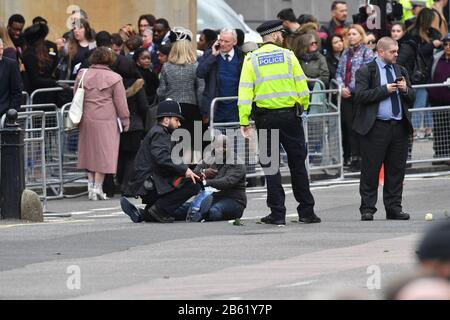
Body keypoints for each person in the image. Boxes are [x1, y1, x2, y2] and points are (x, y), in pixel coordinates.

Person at [238, 20, 321, 225]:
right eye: (281, 35)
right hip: (290, 117)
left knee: (271, 167)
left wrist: (244, 120)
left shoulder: (251, 59)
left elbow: (245, 91)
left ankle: (277, 213)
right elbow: (301, 85)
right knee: (297, 164)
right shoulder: (288, 56)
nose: (283, 38)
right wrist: (304, 106)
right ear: (275, 36)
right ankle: (306, 212)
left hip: (265, 118)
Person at [353, 37, 415, 221]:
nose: (396, 54)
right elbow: (360, 96)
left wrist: (405, 89)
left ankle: (394, 207)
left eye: (397, 51)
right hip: (376, 127)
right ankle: (368, 208)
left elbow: (412, 97)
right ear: (381, 52)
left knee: (396, 170)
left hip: (399, 127)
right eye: (393, 51)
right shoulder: (367, 70)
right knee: (370, 170)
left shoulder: (400, 69)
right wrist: (384, 90)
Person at [120, 99, 202, 223]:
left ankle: (146, 214)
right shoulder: (160, 133)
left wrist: (190, 169)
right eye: (176, 120)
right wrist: (185, 170)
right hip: (151, 184)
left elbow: (167, 160)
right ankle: (158, 210)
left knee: (189, 180)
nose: (179, 124)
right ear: (166, 120)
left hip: (151, 182)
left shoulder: (160, 132)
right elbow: (163, 158)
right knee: (193, 184)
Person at [75, 47, 130, 201]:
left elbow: (76, 95)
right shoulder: (115, 78)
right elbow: (121, 103)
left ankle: (90, 185)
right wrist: (125, 120)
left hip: (86, 118)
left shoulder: (82, 74)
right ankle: (98, 187)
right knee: (105, 153)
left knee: (89, 152)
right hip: (107, 120)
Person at [157, 39, 205, 164]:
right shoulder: (196, 66)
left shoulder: (166, 66)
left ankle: (175, 171)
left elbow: (161, 90)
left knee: (173, 142)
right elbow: (200, 90)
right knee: (193, 143)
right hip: (192, 108)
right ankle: (191, 172)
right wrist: (203, 110)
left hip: (171, 109)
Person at [336, 24, 375, 170]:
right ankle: (353, 157)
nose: (351, 36)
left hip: (359, 95)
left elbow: (365, 73)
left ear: (361, 35)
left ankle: (363, 158)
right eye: (349, 34)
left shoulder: (367, 52)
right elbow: (339, 72)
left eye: (354, 34)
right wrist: (341, 87)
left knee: (361, 127)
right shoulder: (345, 53)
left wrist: (351, 89)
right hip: (346, 96)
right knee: (349, 127)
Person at [197, 28, 244, 124]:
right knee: (217, 139)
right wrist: (213, 55)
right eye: (221, 40)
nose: (222, 44)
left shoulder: (242, 57)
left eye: (226, 41)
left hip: (236, 110)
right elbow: (200, 73)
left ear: (234, 42)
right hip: (216, 109)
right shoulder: (210, 55)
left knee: (235, 138)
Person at [22, 23, 60, 105]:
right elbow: (35, 79)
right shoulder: (29, 54)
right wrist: (55, 83)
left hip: (48, 95)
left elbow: (54, 67)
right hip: (36, 95)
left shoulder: (49, 48)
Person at [428, 34, 450, 163]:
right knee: (439, 128)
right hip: (436, 100)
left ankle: (448, 156)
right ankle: (440, 154)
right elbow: (430, 74)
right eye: (445, 44)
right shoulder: (437, 57)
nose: (447, 47)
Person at [0, 37, 22, 118]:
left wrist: (11, 113)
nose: (0, 53)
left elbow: (17, 92)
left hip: (3, 115)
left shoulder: (10, 65)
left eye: (1, 49)